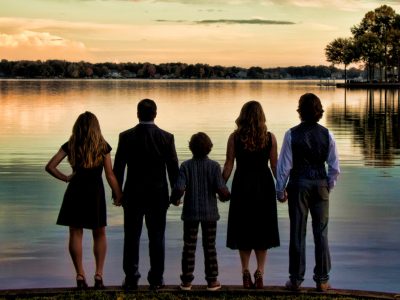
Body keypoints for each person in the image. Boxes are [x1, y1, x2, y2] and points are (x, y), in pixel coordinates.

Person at [45, 111, 123, 290]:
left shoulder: (71, 144)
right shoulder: (103, 146)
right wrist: (118, 194)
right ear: (97, 127)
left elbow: (50, 166)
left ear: (77, 127)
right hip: (95, 192)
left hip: (75, 191)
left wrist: (66, 178)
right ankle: (99, 274)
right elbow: (110, 175)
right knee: (100, 233)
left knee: (75, 232)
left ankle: (80, 275)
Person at [276, 93, 340, 292]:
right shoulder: (327, 134)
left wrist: (280, 190)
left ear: (300, 111)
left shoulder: (291, 134)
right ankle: (322, 280)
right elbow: (335, 166)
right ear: (319, 111)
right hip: (320, 184)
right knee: (321, 233)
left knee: (297, 232)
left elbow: (284, 166)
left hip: (298, 185)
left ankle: (295, 279)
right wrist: (328, 185)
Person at [113, 98, 179, 291]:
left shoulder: (126, 136)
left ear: (137, 114)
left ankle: (131, 278)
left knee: (131, 237)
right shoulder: (166, 137)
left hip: (132, 195)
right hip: (158, 195)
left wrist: (116, 194)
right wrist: (176, 195)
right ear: (155, 114)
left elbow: (118, 168)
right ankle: (157, 279)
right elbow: (173, 170)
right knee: (157, 237)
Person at [222, 100, 280, 289]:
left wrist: (220, 185)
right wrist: (282, 187)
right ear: (261, 116)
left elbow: (229, 164)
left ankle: (245, 270)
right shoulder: (270, 138)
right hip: (264, 186)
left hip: (242, 185)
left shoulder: (235, 137)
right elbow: (274, 166)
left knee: (243, 228)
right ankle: (260, 272)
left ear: (243, 115)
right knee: (262, 228)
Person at [170, 132, 230, 291]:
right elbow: (221, 189)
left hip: (190, 213)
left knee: (188, 247)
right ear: (209, 148)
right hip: (210, 213)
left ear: (191, 148)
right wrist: (227, 196)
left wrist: (174, 199)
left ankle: (186, 282)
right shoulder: (215, 166)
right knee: (210, 247)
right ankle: (212, 281)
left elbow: (179, 188)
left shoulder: (186, 166)